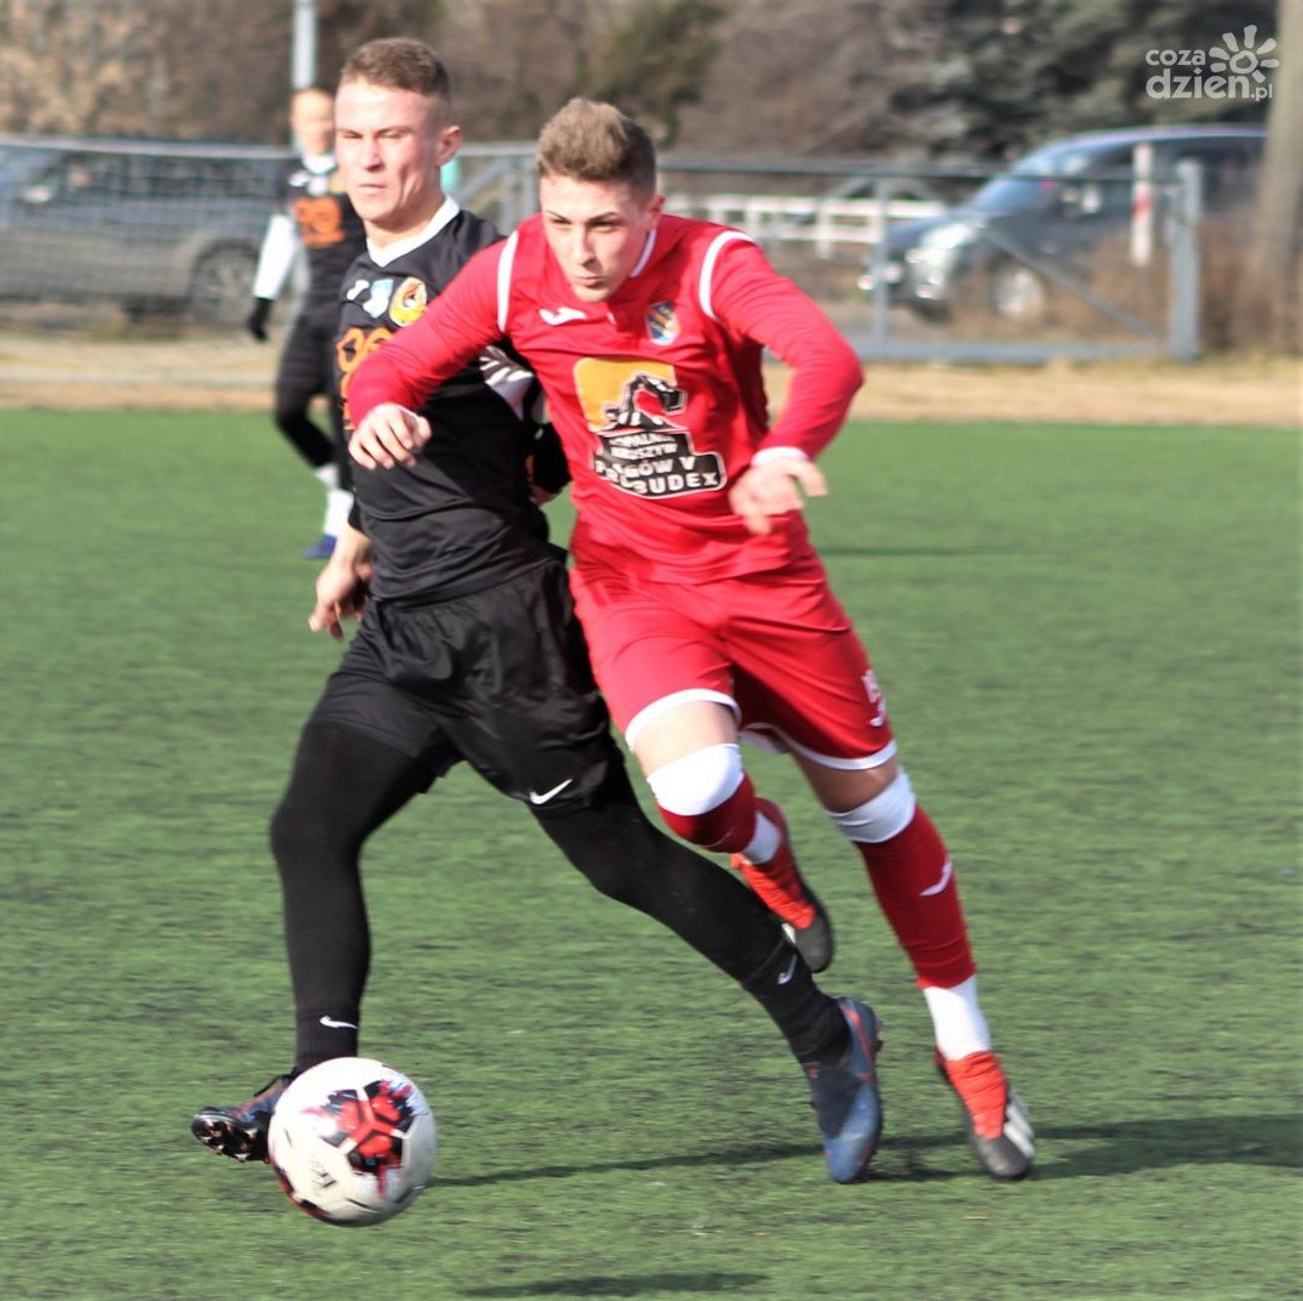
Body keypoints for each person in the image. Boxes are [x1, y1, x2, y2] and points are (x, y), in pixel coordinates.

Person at [192, 40, 883, 1186]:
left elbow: (580, 420)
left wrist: (536, 486)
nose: (367, 158)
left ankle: (827, 1032)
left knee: (621, 861)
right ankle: (317, 1085)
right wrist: (359, 535)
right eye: (352, 136)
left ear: (443, 144)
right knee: (309, 826)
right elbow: (382, 413)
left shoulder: (497, 265)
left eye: (392, 136)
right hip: (404, 621)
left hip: (506, 625)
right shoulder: (359, 267)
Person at [345, 98, 1035, 1180]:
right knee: (695, 793)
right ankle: (766, 854)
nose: (582, 251)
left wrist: (788, 447)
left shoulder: (715, 266)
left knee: (879, 813)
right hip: (635, 587)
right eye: (563, 222)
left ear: (652, 209)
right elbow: (393, 365)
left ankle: (970, 1052)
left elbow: (828, 359)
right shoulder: (513, 271)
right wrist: (380, 406)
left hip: (768, 582)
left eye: (606, 225)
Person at [248, 86, 367, 558]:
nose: (319, 127)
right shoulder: (291, 174)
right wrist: (262, 299)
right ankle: (344, 487)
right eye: (310, 118)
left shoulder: (355, 168)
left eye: (326, 118)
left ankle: (339, 528)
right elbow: (282, 234)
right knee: (288, 410)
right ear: (295, 123)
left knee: (342, 418)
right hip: (312, 310)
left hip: (354, 312)